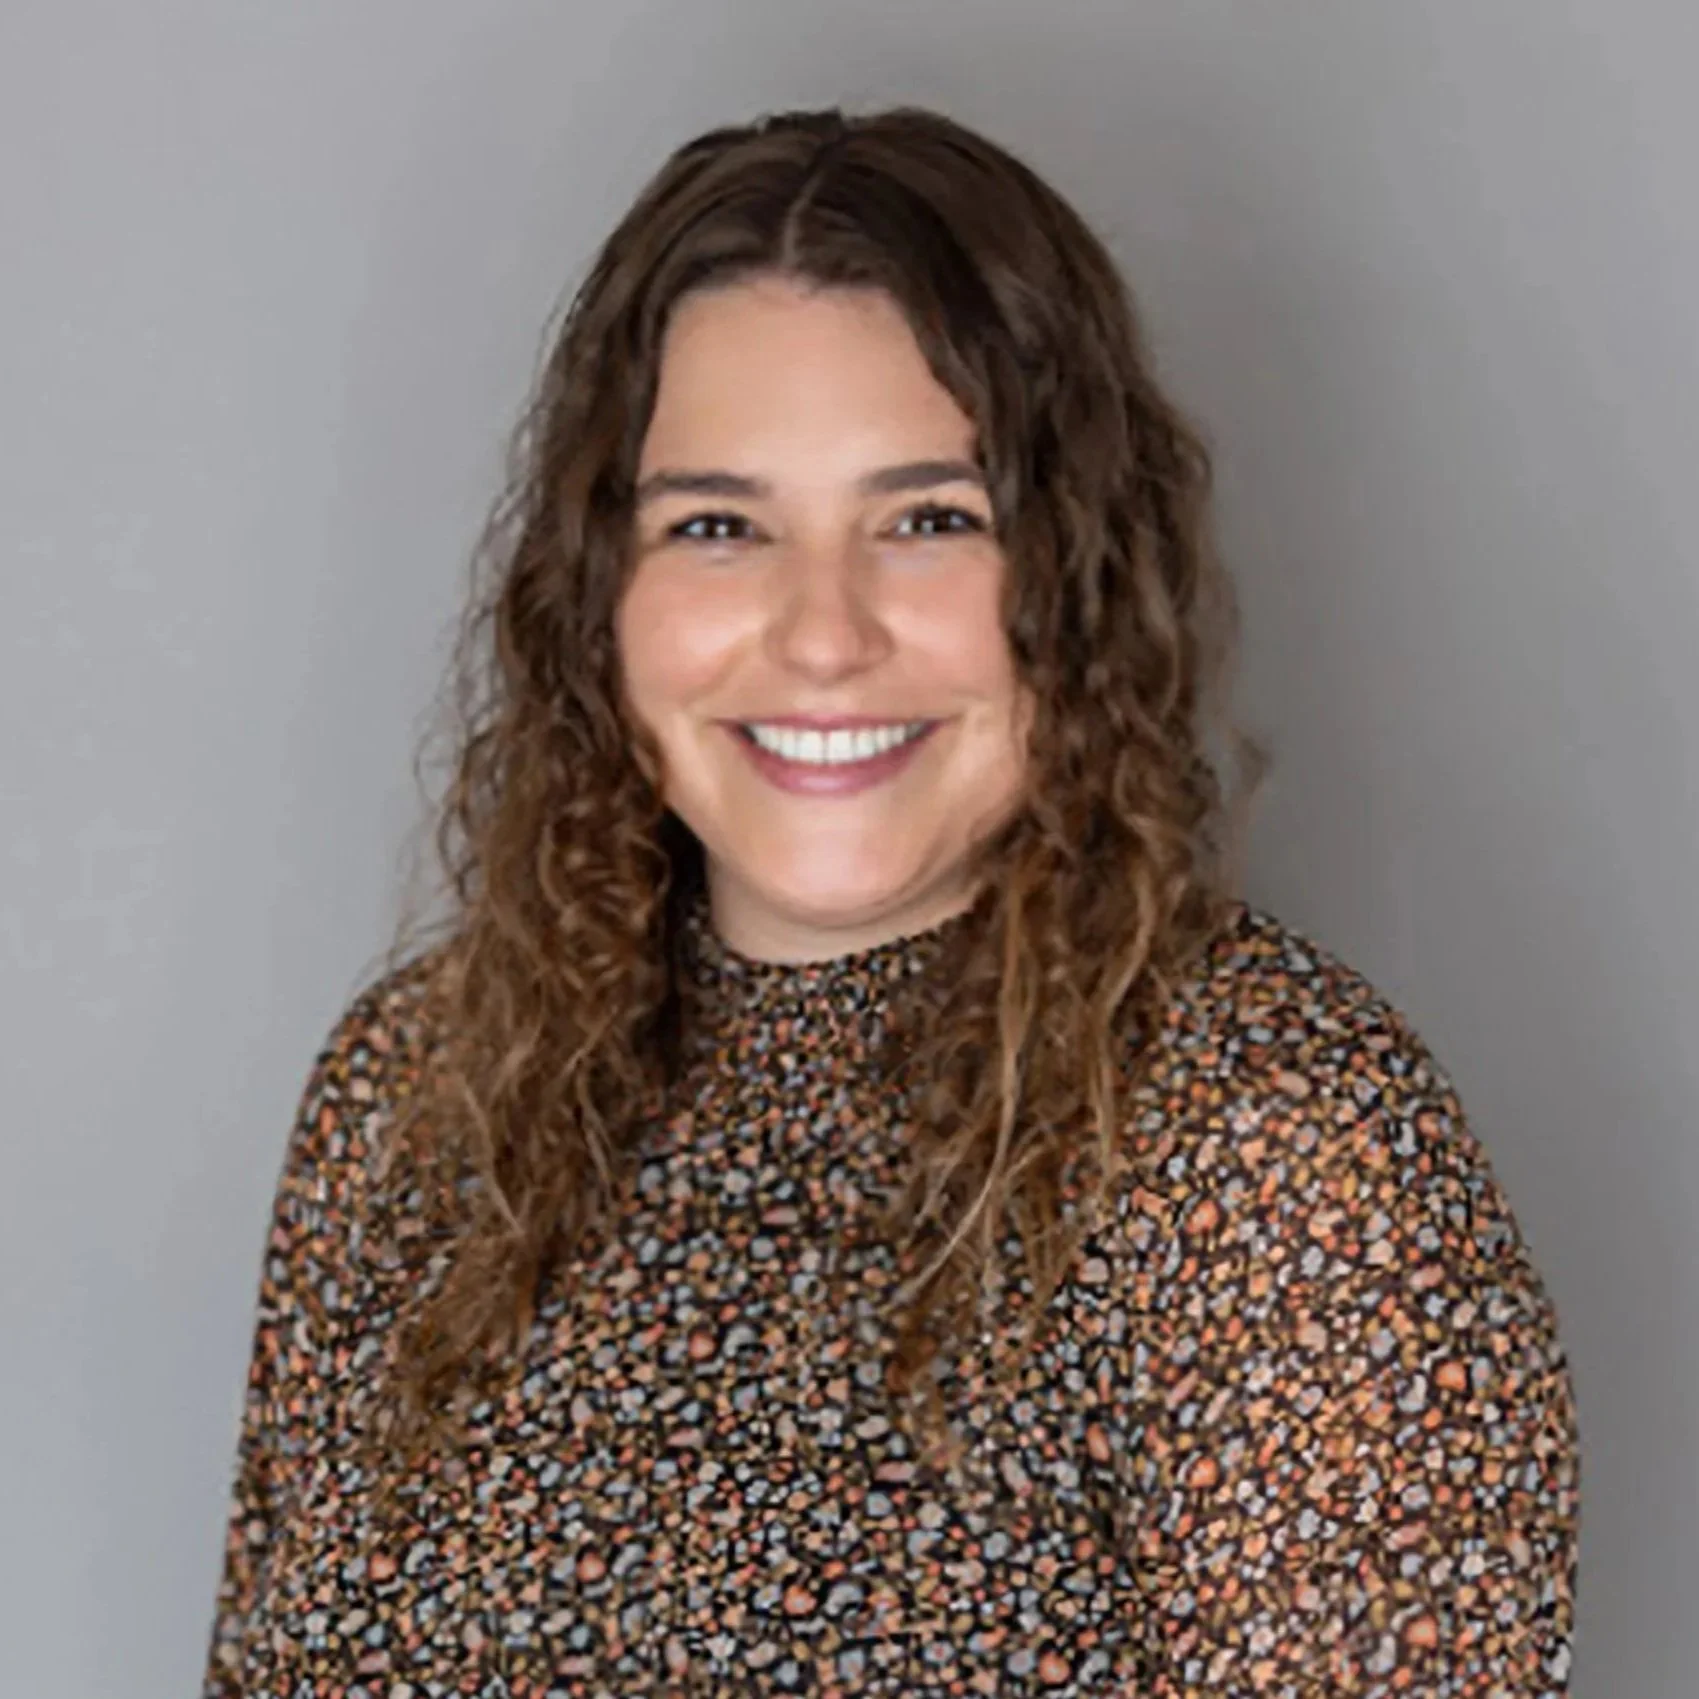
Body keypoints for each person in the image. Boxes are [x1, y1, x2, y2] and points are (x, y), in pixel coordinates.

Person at [202, 106, 1579, 1697]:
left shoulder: (1272, 1140)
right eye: (717, 525)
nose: (822, 633)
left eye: (929, 517)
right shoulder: (414, 1091)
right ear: (599, 593)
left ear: (1072, 574)